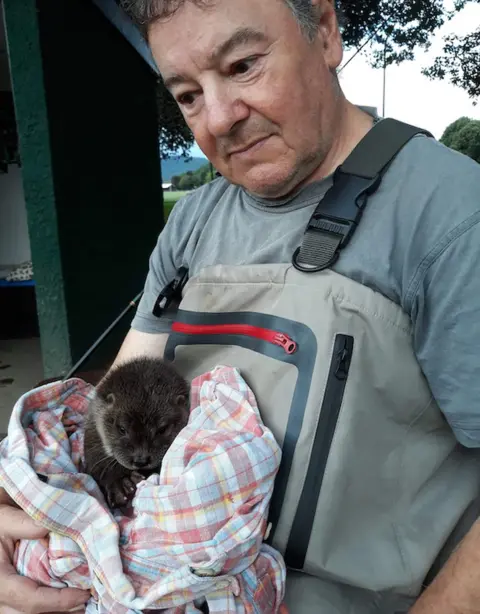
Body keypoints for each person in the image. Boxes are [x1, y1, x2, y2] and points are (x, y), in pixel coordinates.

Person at [2, 0, 480, 611]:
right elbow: (109, 402)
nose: (218, 119)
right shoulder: (194, 222)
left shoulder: (449, 217)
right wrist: (23, 512)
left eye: (244, 65)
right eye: (186, 95)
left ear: (327, 34)